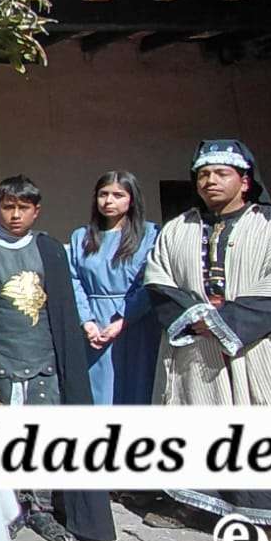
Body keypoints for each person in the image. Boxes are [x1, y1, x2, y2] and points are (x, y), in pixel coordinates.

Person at [139, 140, 271, 541]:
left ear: (245, 181)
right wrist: (197, 317)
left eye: (221, 173)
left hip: (258, 348)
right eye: (203, 174)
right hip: (197, 350)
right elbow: (158, 277)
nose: (210, 181)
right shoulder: (178, 227)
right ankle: (194, 503)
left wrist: (225, 321)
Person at [0, 176, 114, 541]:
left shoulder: (49, 249)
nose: (15, 215)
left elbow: (60, 309)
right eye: (8, 207)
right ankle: (10, 507)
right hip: (0, 356)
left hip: (43, 355)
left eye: (23, 208)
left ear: (36, 211)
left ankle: (41, 507)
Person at [67, 171, 159, 406]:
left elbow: (151, 280)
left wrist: (123, 320)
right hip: (94, 326)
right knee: (98, 393)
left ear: (132, 199)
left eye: (118, 195)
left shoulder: (150, 234)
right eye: (103, 194)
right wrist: (86, 321)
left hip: (136, 320)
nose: (109, 201)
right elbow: (73, 280)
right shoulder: (81, 236)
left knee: (136, 389)